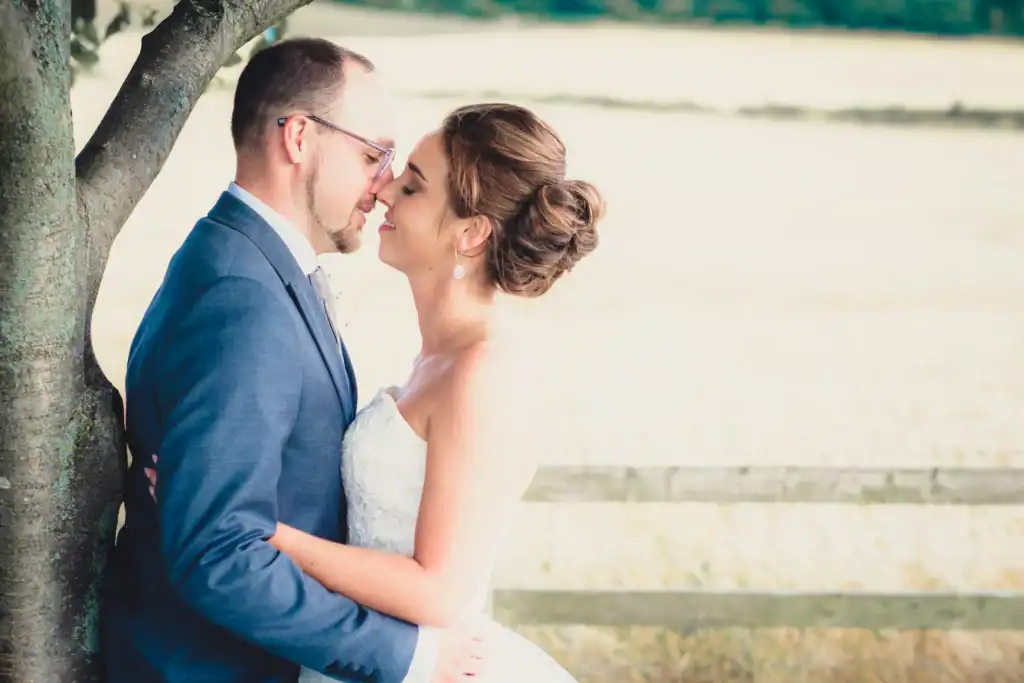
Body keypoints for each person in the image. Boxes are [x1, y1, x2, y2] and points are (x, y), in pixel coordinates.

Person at [146, 101, 604, 683]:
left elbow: (439, 592)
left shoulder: (484, 375)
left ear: (471, 233)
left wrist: (262, 532)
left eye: (412, 188)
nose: (383, 191)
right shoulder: (438, 358)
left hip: (427, 662)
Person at [101, 38, 486, 683]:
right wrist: (406, 656)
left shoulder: (248, 261)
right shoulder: (241, 298)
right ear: (300, 138)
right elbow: (219, 552)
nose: (385, 184)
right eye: (373, 155)